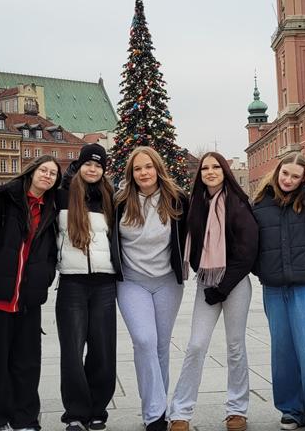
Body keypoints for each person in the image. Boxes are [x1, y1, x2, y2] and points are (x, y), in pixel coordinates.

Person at [0, 155, 61, 431]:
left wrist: (44, 277)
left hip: (28, 302)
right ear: (31, 171)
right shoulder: (0, 199)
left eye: (53, 173)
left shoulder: (50, 209)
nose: (47, 175)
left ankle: (25, 420)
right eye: (43, 170)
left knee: (27, 364)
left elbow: (51, 252)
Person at [169, 152, 259, 431]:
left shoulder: (238, 203)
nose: (210, 172)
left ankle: (237, 410)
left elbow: (247, 252)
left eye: (216, 167)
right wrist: (205, 277)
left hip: (234, 283)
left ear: (224, 171)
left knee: (235, 346)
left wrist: (222, 288)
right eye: (205, 168)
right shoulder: (196, 204)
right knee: (196, 345)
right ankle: (180, 411)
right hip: (207, 282)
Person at [251, 152, 305, 431]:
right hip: (274, 287)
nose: (288, 180)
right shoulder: (261, 202)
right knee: (283, 352)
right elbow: (251, 240)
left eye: (296, 176)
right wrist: (261, 269)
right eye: (285, 173)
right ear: (277, 171)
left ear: (304, 178)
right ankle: (292, 410)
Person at [112, 146, 188, 431]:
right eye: (137, 168)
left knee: (161, 346)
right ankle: (155, 414)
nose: (143, 173)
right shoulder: (119, 201)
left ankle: (156, 409)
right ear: (131, 173)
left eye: (148, 167)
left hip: (167, 281)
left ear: (158, 168)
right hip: (132, 281)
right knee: (144, 341)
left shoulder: (177, 198)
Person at [55, 144, 119, 431]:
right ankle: (75, 412)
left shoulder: (109, 198)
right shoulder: (61, 195)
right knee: (72, 349)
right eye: (88, 164)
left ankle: (97, 410)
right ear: (79, 165)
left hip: (104, 282)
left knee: (102, 349)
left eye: (98, 165)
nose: (93, 169)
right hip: (72, 282)